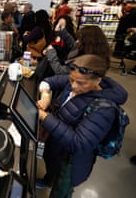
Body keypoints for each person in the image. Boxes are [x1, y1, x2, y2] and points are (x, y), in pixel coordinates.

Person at [36, 54, 128, 197]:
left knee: (61, 191)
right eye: (72, 80)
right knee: (52, 170)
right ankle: (49, 180)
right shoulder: (76, 79)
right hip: (57, 149)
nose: (74, 86)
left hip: (71, 162)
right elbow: (48, 81)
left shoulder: (104, 109)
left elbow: (80, 143)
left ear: (98, 80)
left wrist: (46, 117)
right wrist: (45, 96)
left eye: (81, 83)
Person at [43, 25, 110, 76]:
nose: (77, 41)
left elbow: (60, 71)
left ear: (86, 42)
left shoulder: (84, 62)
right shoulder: (95, 53)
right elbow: (73, 44)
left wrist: (51, 53)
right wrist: (62, 32)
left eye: (79, 39)